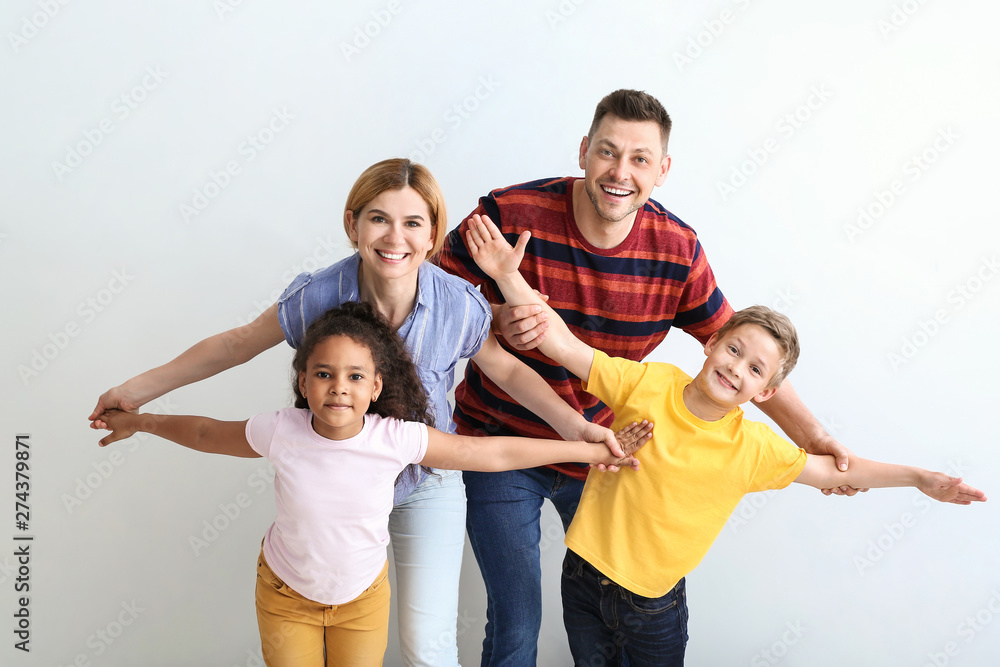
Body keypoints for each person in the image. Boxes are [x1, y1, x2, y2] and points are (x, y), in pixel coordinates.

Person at [88, 158, 640, 667]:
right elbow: (236, 344)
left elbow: (509, 371)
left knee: (427, 643)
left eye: (413, 223)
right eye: (379, 219)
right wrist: (138, 391)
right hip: (339, 483)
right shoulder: (319, 295)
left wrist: (577, 426)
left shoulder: (456, 300)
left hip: (425, 475)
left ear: (433, 234)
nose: (395, 237)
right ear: (353, 225)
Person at [433, 88, 861, 666]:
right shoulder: (509, 215)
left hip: (609, 450)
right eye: (607, 152)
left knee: (617, 613)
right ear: (583, 151)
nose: (619, 172)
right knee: (516, 621)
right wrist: (490, 324)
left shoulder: (677, 252)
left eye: (639, 159)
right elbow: (431, 302)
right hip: (502, 440)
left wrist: (814, 437)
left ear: (662, 170)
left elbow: (748, 356)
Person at [463, 219, 987, 665]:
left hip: (654, 608)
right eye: (734, 350)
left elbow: (835, 472)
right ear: (711, 342)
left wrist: (919, 479)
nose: (737, 369)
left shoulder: (754, 448)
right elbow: (560, 343)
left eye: (755, 369)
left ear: (767, 391)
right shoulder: (649, 384)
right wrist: (508, 276)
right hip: (582, 580)